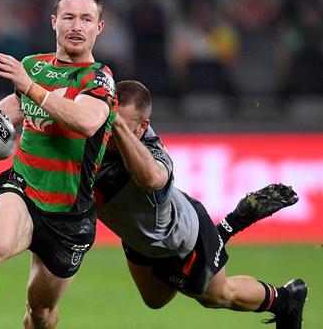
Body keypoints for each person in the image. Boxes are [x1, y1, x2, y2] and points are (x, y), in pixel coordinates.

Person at [0, 0, 117, 329]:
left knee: (39, 312)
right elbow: (13, 109)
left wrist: (30, 88)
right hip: (23, 189)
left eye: (86, 19)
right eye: (68, 16)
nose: (76, 26)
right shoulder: (34, 67)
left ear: (99, 28)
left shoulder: (100, 79)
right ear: (53, 21)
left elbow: (86, 121)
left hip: (70, 213)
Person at [93, 80, 308, 328]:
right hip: (140, 238)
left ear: (142, 128)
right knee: (154, 300)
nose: (112, 131)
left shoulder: (153, 155)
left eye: (121, 126)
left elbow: (151, 179)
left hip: (179, 240)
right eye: (110, 122)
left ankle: (286, 298)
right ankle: (220, 235)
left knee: (218, 295)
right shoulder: (92, 128)